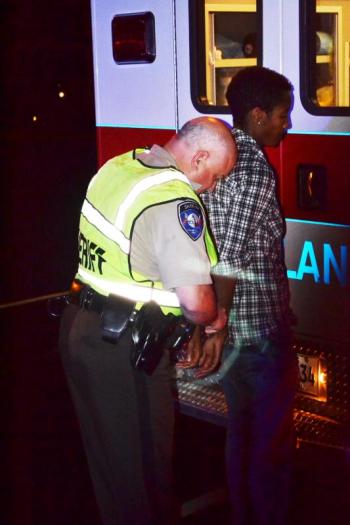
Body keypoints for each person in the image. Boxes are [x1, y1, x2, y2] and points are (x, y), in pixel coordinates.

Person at [58, 116, 237, 525]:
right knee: (145, 478)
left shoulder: (119, 168)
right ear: (200, 156)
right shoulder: (174, 201)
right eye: (215, 176)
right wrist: (215, 317)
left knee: (114, 474)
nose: (213, 186)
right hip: (124, 350)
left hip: (81, 329)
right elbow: (195, 302)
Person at [185, 67, 299, 525]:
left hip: (235, 334)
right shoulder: (252, 169)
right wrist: (215, 323)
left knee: (242, 434)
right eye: (281, 115)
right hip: (254, 335)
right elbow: (228, 257)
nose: (286, 125)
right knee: (270, 445)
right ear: (257, 115)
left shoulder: (216, 156)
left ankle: (242, 514)